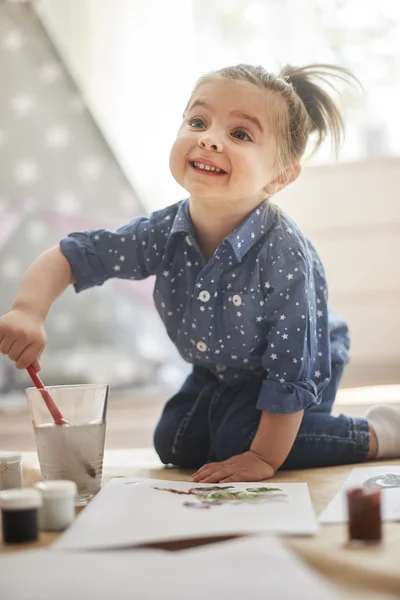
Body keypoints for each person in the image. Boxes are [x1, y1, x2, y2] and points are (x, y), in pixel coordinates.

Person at [0, 63, 398, 484]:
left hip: (295, 369)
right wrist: (28, 310)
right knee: (174, 443)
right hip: (218, 369)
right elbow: (75, 255)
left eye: (239, 134)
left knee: (242, 441)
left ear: (280, 176)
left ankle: (377, 433)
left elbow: (292, 370)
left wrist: (262, 459)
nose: (208, 138)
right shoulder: (162, 231)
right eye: (198, 121)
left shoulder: (285, 256)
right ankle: (236, 426)